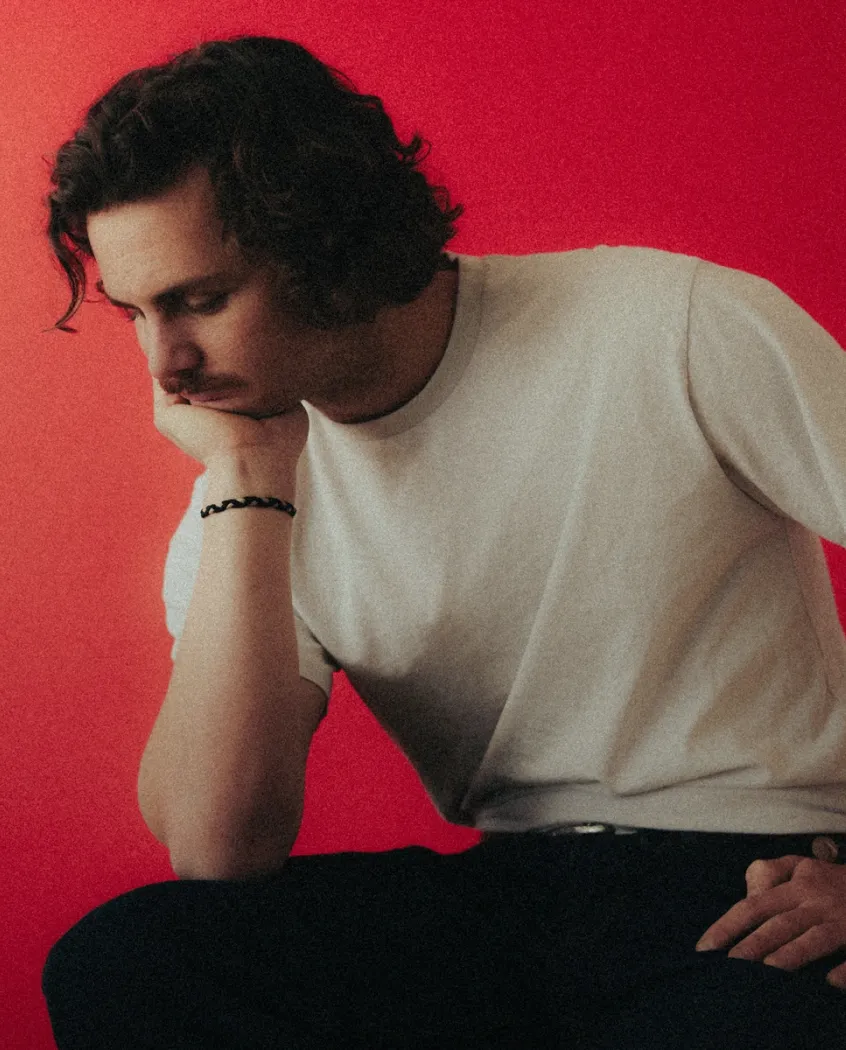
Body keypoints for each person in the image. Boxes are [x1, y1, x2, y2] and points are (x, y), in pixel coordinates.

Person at [40, 34, 846, 1049]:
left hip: (747, 887)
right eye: (135, 313)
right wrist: (247, 479)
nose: (168, 364)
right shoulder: (249, 493)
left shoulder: (668, 327)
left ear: (322, 239)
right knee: (128, 962)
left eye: (200, 301)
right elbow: (217, 847)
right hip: (513, 898)